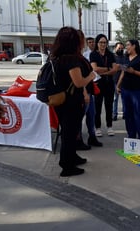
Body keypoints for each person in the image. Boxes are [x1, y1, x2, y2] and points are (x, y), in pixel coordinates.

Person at [50, 26, 95, 177]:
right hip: (71, 103)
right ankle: (67, 165)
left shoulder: (57, 57)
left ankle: (72, 157)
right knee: (69, 133)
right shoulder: (72, 59)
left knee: (69, 132)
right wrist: (91, 76)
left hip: (61, 100)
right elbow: (78, 82)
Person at [116, 39, 140, 141]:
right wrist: (118, 85)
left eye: (128, 45)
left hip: (137, 90)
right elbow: (123, 72)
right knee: (128, 112)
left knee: (139, 112)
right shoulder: (126, 58)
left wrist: (134, 71)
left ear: (134, 46)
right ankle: (131, 134)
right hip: (126, 89)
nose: (126, 47)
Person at [90, 34, 117, 137]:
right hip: (98, 84)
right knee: (98, 106)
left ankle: (110, 126)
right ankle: (98, 127)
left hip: (109, 84)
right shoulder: (94, 55)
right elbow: (95, 69)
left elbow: (114, 69)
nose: (103, 44)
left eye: (105, 42)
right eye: (101, 42)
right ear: (97, 43)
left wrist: (104, 71)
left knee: (109, 106)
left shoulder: (110, 55)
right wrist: (107, 69)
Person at [81, 36, 102, 147]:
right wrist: (84, 92)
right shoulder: (79, 57)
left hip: (90, 89)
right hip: (83, 92)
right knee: (80, 117)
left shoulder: (83, 57)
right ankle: (78, 139)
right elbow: (79, 79)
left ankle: (92, 137)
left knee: (91, 115)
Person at [113, 42, 126, 121]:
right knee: (115, 99)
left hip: (124, 81)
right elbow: (113, 68)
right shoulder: (112, 57)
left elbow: (125, 68)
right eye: (119, 48)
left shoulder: (124, 57)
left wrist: (119, 67)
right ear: (115, 48)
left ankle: (125, 113)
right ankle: (114, 114)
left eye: (122, 48)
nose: (120, 50)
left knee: (124, 99)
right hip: (114, 80)